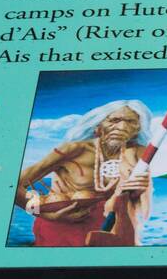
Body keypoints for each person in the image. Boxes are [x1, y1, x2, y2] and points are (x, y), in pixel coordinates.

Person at [15, 100, 154, 247]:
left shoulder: (138, 154)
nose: (122, 127)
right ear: (98, 125)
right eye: (115, 120)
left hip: (112, 229)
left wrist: (136, 191)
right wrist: (43, 213)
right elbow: (12, 185)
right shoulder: (73, 150)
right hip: (62, 227)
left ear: (138, 129)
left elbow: (128, 197)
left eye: (130, 122)